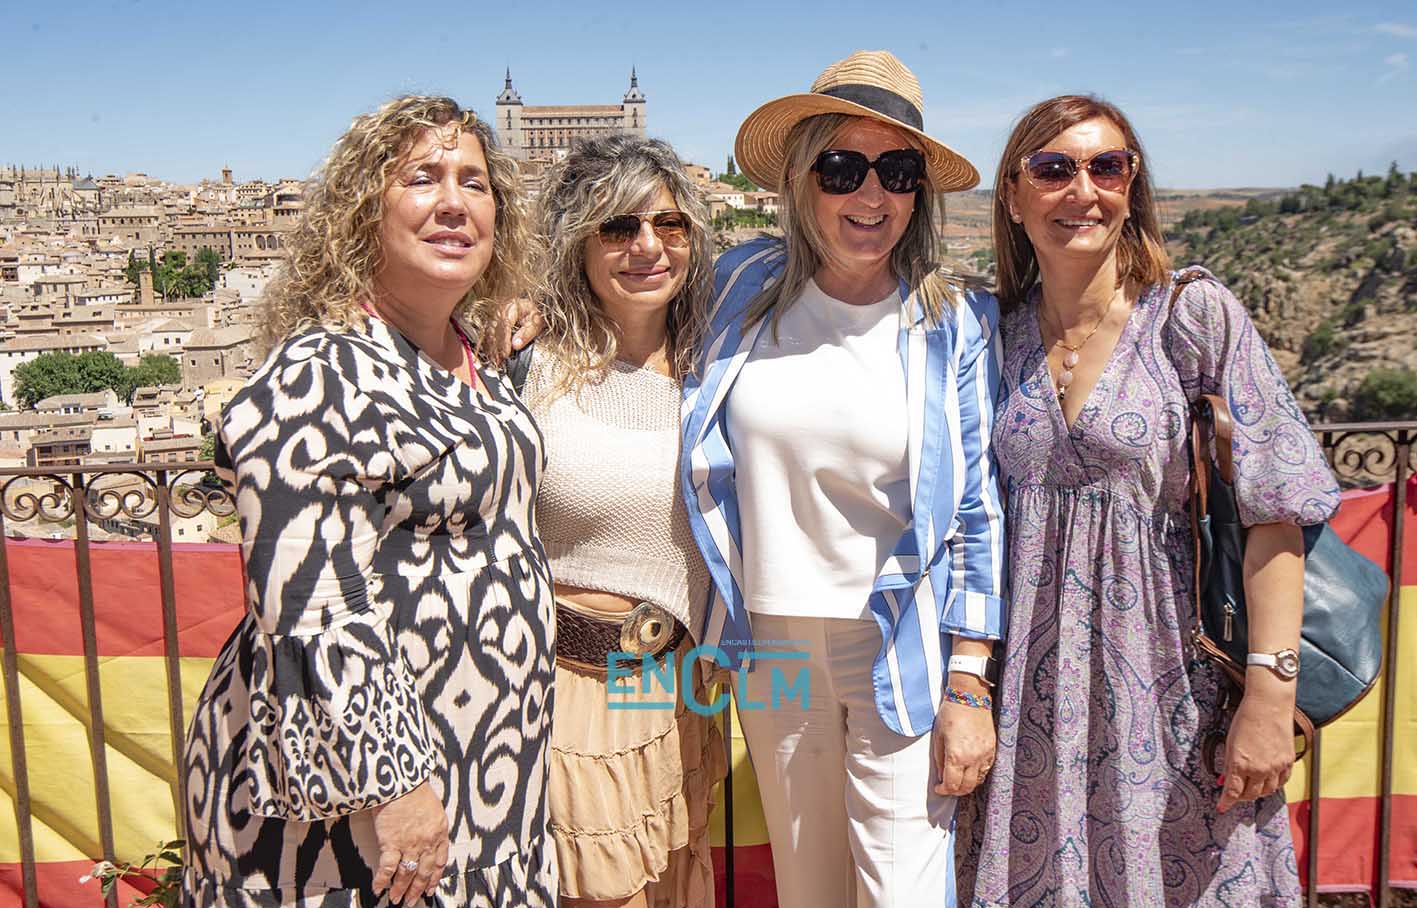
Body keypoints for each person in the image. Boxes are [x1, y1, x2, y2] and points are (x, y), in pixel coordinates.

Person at [960, 94, 1341, 907]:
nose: (1082, 191)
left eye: (1107, 167)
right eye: (1053, 169)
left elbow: (1274, 510)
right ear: (1013, 196)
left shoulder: (1190, 313)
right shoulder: (994, 333)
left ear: (1131, 187)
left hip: (1174, 690)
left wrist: (1269, 695)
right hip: (1028, 705)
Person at [181, 95, 557, 908]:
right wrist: (393, 787)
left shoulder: (471, 354)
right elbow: (309, 601)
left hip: (484, 767)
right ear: (363, 211)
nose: (453, 202)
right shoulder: (318, 372)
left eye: (474, 183)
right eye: (421, 178)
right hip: (358, 801)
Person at [680, 50, 1007, 908]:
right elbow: (617, 312)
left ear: (918, 193)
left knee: (902, 892)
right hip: (770, 649)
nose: (871, 194)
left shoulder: (953, 323)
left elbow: (976, 508)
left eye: (896, 171)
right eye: (841, 168)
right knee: (809, 888)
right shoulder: (735, 288)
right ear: (799, 180)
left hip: (897, 644)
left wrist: (969, 680)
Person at [523, 134, 725, 908]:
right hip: (569, 693)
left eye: (669, 224)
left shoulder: (721, 364)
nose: (647, 246)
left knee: (674, 885)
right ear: (577, 243)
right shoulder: (529, 366)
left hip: (678, 689)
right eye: (617, 227)